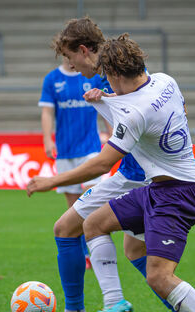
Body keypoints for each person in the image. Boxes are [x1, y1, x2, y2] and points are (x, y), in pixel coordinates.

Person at [27, 33, 195, 312]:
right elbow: (157, 108)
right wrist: (108, 101)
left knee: (158, 275)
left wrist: (50, 181)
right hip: (160, 188)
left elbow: (102, 164)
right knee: (94, 225)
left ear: (112, 73)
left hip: (177, 195)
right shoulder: (166, 81)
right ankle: (119, 304)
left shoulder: (135, 113)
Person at [39, 56, 112, 269]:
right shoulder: (52, 79)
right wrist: (47, 140)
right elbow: (47, 111)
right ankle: (83, 254)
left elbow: (105, 104)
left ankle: (99, 250)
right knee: (73, 209)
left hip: (90, 149)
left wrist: (111, 132)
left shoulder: (90, 75)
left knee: (94, 202)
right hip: (65, 151)